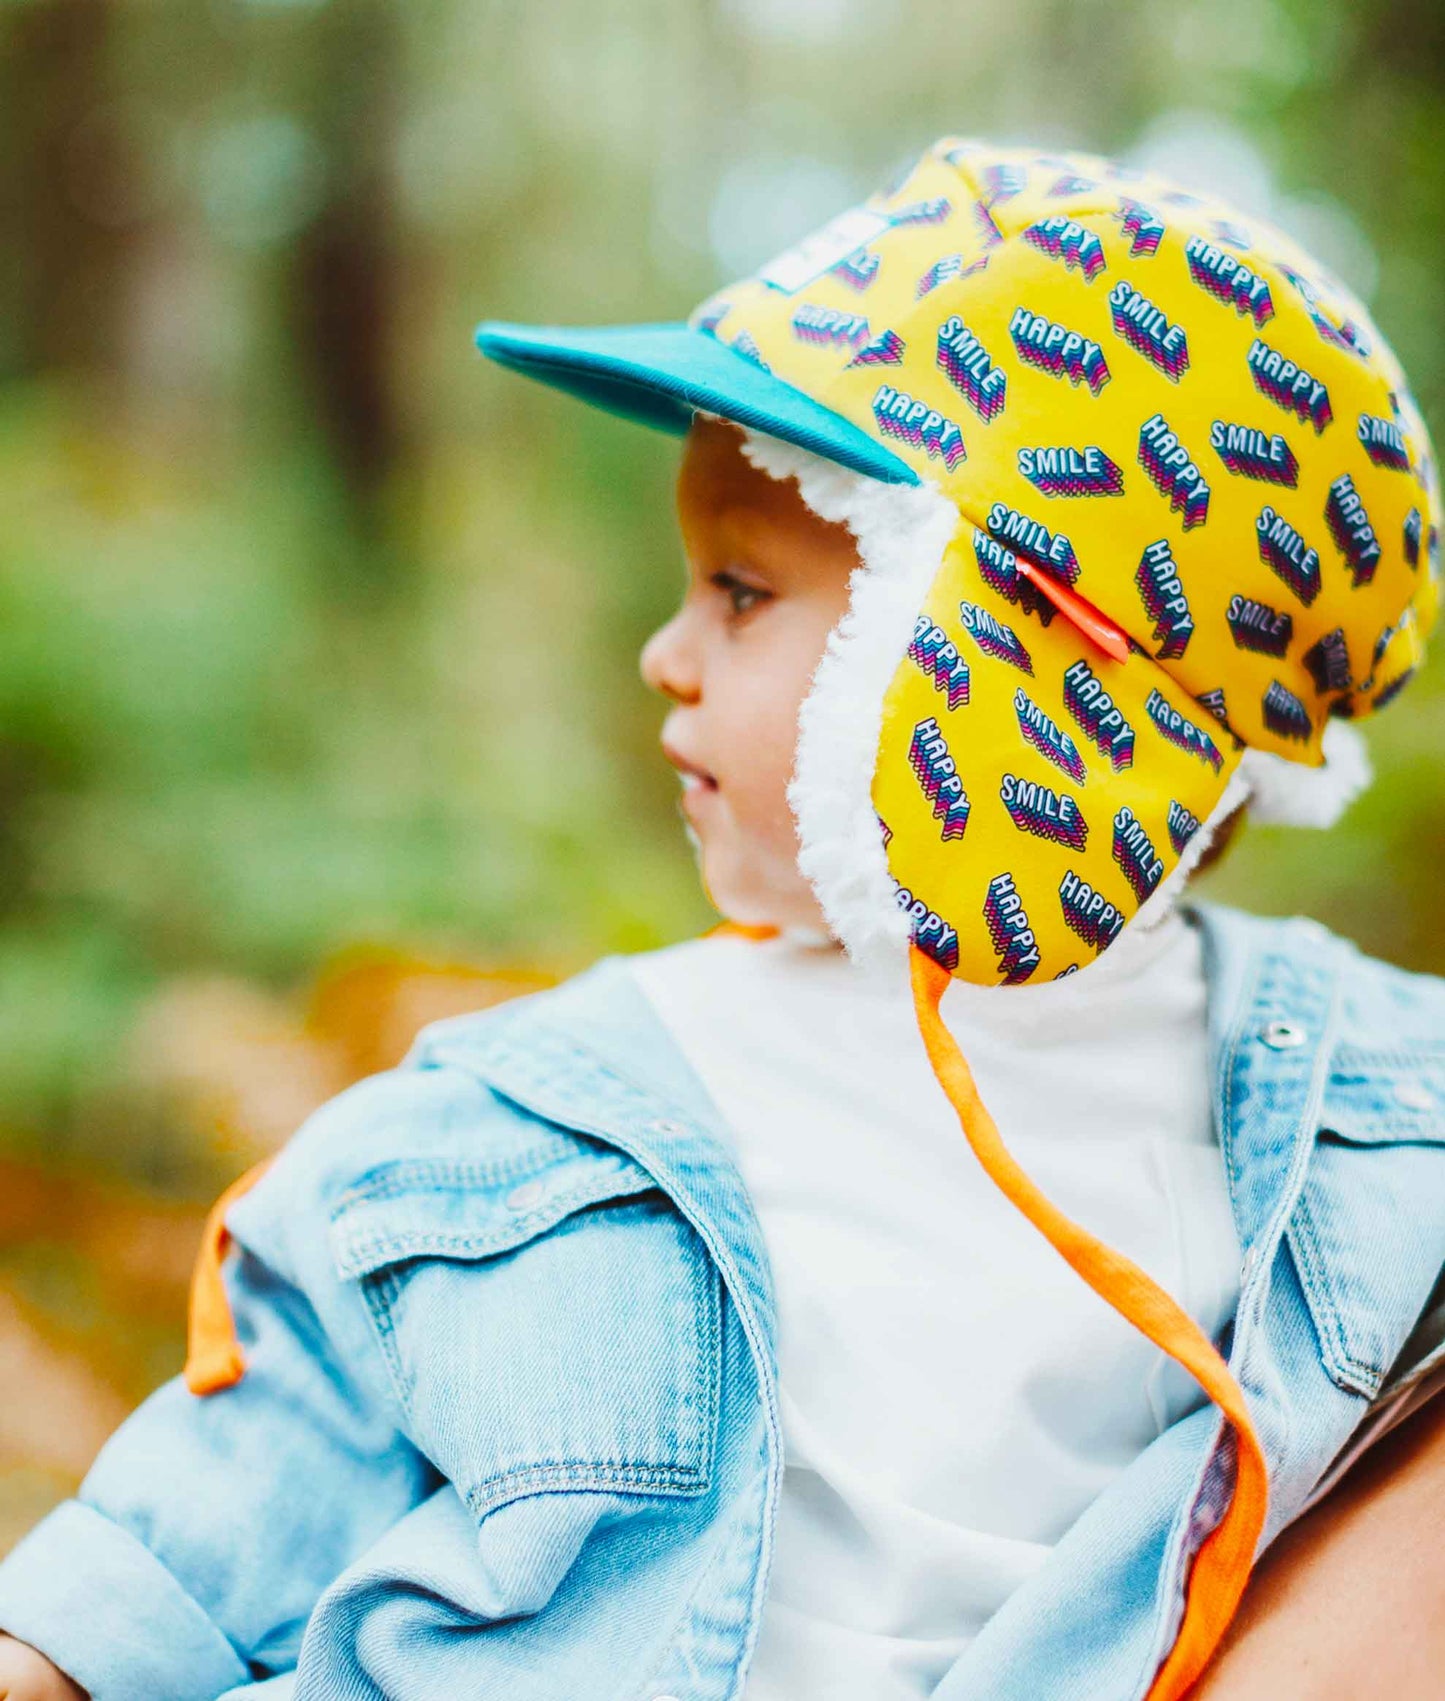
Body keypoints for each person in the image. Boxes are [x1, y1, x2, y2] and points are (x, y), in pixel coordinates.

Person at [1, 137, 1442, 1701]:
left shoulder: (1380, 1119)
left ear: (1014, 658)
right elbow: (156, 1573)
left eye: (739, 593)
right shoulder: (511, 1120)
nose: (662, 655)